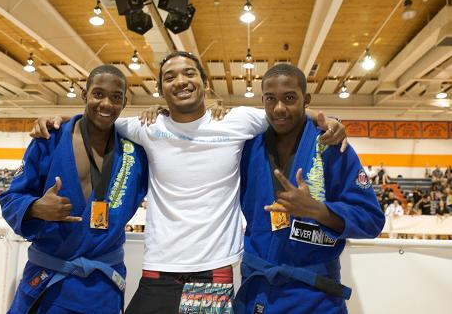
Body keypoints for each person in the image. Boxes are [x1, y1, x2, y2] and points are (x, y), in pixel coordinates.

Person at [33, 51, 346, 314]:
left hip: (214, 272)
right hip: (157, 270)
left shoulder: (237, 121)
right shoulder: (147, 127)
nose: (180, 81)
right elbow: (98, 116)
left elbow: (287, 113)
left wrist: (328, 121)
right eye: (170, 77)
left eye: (188, 73)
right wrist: (58, 120)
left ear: (205, 83)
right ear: (162, 91)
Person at [235, 64, 385, 313]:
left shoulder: (332, 146)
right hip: (258, 292)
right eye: (270, 99)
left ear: (306, 100)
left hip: (315, 297)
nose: (279, 108)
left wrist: (318, 210)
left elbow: (371, 220)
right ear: (262, 101)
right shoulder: (246, 148)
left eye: (290, 98)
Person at [0, 65, 149, 313]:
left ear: (124, 101)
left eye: (116, 97)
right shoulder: (50, 141)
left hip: (102, 288)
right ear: (84, 95)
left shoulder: (135, 153)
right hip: (49, 281)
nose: (106, 104)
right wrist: (35, 208)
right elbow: (11, 198)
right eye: (98, 94)